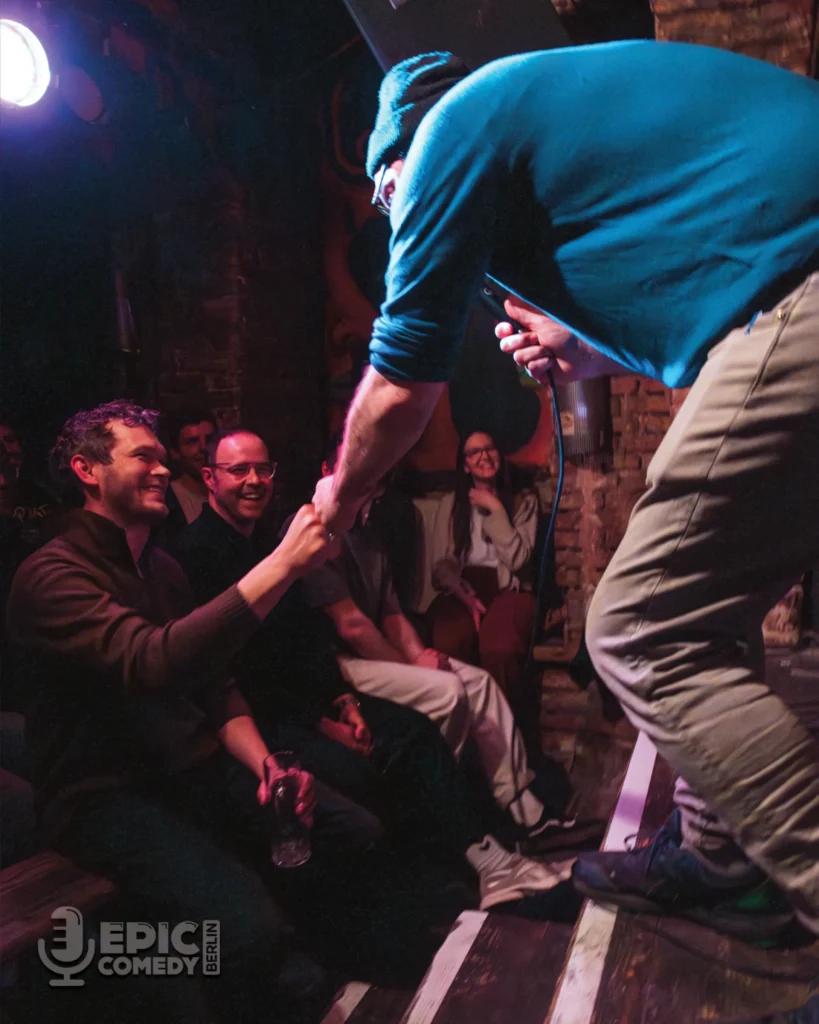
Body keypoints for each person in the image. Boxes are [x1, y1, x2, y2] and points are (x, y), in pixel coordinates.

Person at [311, 47, 819, 1023]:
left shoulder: (451, 126)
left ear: (396, 160)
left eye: (386, 197)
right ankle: (717, 858)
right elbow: (707, 288)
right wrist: (583, 345)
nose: (395, 219)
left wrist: (338, 496)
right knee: (703, 611)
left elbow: (404, 375)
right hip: (786, 296)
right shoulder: (550, 120)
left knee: (640, 628)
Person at [5, 400, 385, 1023]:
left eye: (162, 457)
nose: (162, 469)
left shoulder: (162, 568)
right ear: (86, 471)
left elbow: (214, 684)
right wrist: (283, 562)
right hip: (104, 799)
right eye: (143, 457)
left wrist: (267, 767)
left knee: (348, 831)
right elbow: (153, 660)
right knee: (246, 927)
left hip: (185, 773)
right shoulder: (50, 575)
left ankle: (307, 977)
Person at [173, 427, 581, 915]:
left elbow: (308, 638)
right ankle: (454, 868)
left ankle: (488, 851)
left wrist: (344, 702)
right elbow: (250, 669)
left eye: (263, 469)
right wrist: (326, 720)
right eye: (239, 470)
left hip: (317, 695)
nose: (254, 480)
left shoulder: (281, 540)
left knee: (416, 730)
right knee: (404, 738)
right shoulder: (204, 551)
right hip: (273, 722)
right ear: (210, 478)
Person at [306, 437, 603, 855]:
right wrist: (414, 663)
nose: (365, 480)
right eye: (354, 470)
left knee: (480, 684)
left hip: (396, 641)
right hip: (341, 662)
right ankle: (449, 810)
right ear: (327, 472)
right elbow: (352, 625)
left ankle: (524, 811)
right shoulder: (315, 531)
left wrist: (416, 654)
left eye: (369, 471)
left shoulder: (368, 533)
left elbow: (392, 614)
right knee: (449, 688)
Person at [427, 429, 538, 711]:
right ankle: (460, 721)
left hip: (508, 588)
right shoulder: (450, 505)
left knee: (500, 649)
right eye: (474, 452)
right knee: (449, 642)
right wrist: (463, 593)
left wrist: (496, 510)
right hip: (463, 587)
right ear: (465, 464)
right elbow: (440, 566)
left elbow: (519, 560)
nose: (484, 456)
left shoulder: (524, 502)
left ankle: (503, 724)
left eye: (489, 449)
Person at [161, 408, 217, 536]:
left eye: (210, 439)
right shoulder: (166, 500)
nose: (203, 447)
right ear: (174, 453)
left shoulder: (232, 491)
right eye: (192, 442)